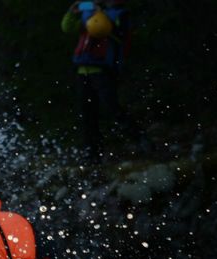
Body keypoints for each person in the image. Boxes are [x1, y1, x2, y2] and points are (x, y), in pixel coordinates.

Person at [62, 1, 151, 165]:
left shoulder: (119, 14)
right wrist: (71, 13)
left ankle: (141, 138)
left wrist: (99, 15)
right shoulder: (87, 12)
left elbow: (120, 35)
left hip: (104, 70)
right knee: (87, 113)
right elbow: (67, 28)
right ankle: (92, 154)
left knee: (111, 106)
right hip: (83, 70)